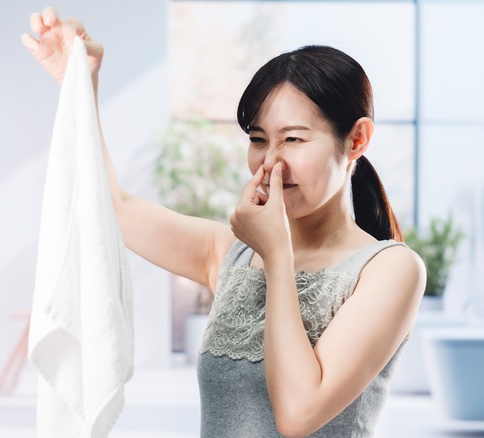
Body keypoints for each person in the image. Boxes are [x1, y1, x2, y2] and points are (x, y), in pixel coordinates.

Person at [22, 7, 426, 437]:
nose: (271, 162)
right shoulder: (228, 253)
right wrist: (80, 83)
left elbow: (298, 414)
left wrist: (275, 253)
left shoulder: (390, 270)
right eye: (257, 139)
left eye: (293, 139)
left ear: (357, 139)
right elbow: (113, 209)